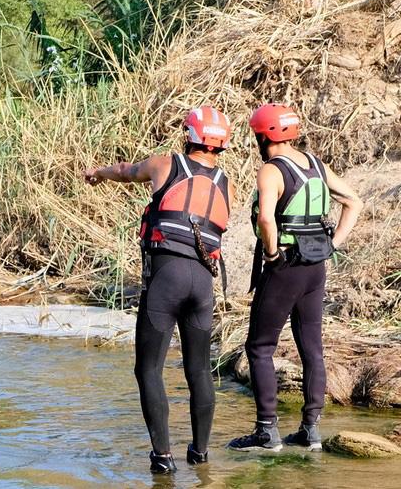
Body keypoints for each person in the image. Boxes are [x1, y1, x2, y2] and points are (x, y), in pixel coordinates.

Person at [84, 107, 235, 474]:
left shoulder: (165, 165)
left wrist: (97, 173)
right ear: (221, 144)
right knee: (198, 370)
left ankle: (163, 458)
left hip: (166, 280)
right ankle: (200, 455)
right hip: (202, 285)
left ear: (188, 136)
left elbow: (125, 172)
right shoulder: (225, 183)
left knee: (148, 369)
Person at [228, 104, 361, 452]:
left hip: (285, 267)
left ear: (262, 136)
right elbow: (353, 202)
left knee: (259, 347)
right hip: (316, 268)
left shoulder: (271, 171)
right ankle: (310, 429)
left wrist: (272, 254)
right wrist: (332, 245)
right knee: (312, 348)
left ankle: (266, 431)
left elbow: (267, 221)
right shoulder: (315, 164)